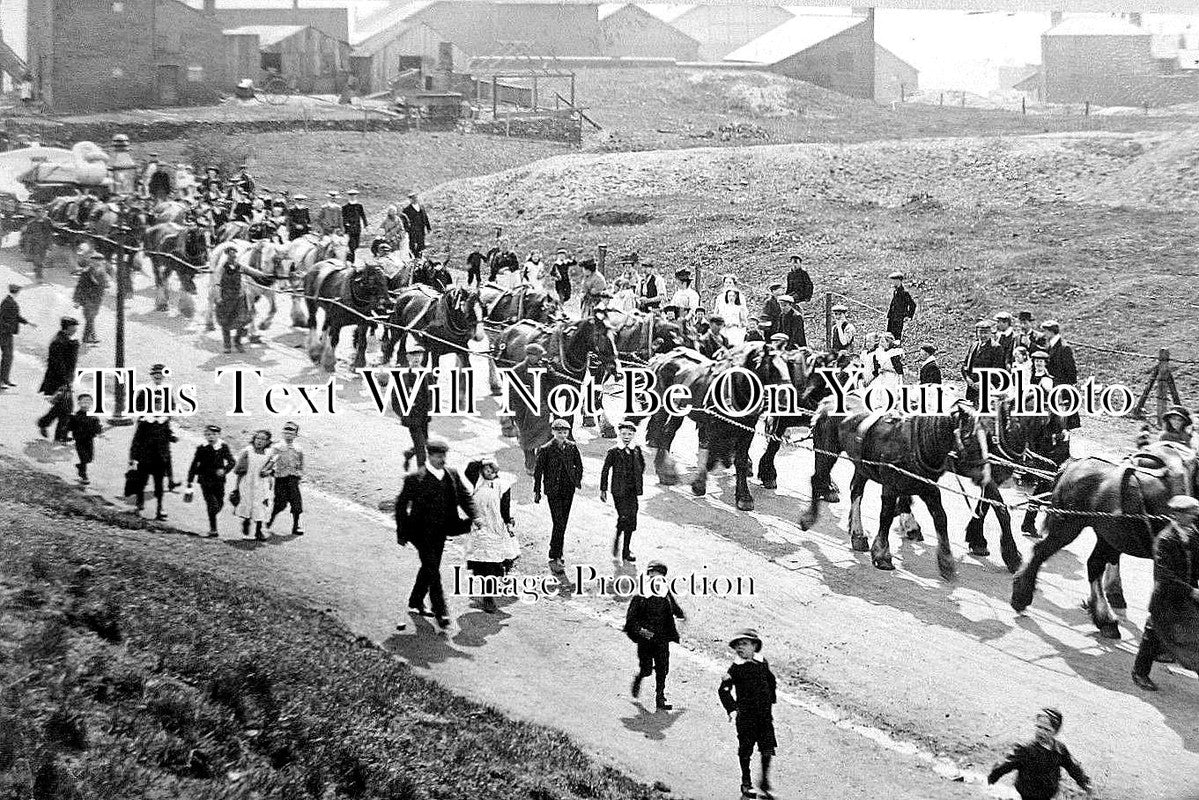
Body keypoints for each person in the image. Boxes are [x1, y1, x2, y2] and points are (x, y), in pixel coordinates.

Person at [394, 439, 477, 631]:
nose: (443, 459)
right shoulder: (415, 479)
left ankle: (415, 600)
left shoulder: (452, 475)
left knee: (430, 567)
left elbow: (465, 497)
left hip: (441, 530)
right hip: (419, 533)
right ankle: (441, 611)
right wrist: (402, 532)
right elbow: (400, 506)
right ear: (429, 456)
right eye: (439, 456)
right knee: (433, 569)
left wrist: (476, 517)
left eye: (444, 456)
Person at [1131, 494, 1199, 691]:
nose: (1194, 517)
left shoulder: (1192, 535)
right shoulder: (1165, 540)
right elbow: (1165, 576)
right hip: (1166, 598)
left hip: (1186, 597)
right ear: (1177, 515)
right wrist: (1192, 591)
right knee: (1153, 633)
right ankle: (1139, 672)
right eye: (1189, 514)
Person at [718, 629, 778, 800]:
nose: (739, 648)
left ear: (754, 646)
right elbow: (723, 690)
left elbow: (771, 680)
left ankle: (764, 781)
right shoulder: (735, 669)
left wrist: (770, 699)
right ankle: (746, 782)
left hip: (764, 716)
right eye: (737, 645)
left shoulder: (762, 663)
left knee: (767, 748)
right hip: (746, 717)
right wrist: (732, 709)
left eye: (744, 644)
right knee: (746, 750)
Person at [987, 708, 1093, 799]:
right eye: (1039, 727)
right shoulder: (1025, 749)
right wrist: (993, 777)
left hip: (1048, 792)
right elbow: (1006, 763)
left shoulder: (1059, 749)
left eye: (1047, 729)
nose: (1041, 732)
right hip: (1027, 792)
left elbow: (1072, 767)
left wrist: (1084, 782)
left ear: (1055, 732)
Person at [625, 560, 685, 711]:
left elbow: (673, 605)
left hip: (661, 638)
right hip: (646, 639)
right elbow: (631, 621)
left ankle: (660, 697)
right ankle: (640, 677)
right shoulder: (640, 596)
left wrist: (680, 613)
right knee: (646, 669)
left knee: (662, 668)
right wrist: (642, 632)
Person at [462, 456, 519, 613]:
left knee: (499, 559)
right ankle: (488, 598)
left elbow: (505, 507)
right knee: (484, 563)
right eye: (486, 469)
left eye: (492, 470)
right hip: (480, 528)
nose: (489, 472)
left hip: (496, 527)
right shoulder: (477, 481)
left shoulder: (503, 485)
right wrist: (484, 461)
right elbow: (469, 468)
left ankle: (502, 574)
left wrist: (508, 522)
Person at [534, 418, 583, 570]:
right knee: (559, 521)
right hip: (553, 490)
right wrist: (537, 491)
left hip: (568, 489)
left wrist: (576, 480)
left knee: (563, 521)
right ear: (553, 432)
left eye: (565, 432)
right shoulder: (545, 449)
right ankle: (556, 554)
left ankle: (555, 550)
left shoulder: (572, 447)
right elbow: (538, 472)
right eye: (559, 432)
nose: (562, 435)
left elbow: (579, 465)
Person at [600, 420, 645, 563]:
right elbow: (605, 470)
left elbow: (642, 465)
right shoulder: (613, 451)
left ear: (633, 435)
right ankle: (619, 534)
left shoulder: (636, 450)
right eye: (624, 433)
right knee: (624, 516)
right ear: (619, 434)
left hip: (632, 490)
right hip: (618, 490)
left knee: (632, 518)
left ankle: (626, 549)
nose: (626, 436)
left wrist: (636, 478)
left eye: (630, 434)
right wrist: (603, 489)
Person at [129, 398, 176, 521]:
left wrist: (173, 437)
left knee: (159, 485)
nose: (158, 409)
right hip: (145, 458)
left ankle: (160, 508)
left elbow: (168, 435)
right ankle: (139, 504)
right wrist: (133, 458)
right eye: (155, 406)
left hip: (159, 459)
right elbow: (136, 441)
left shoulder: (164, 421)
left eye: (160, 406)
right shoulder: (144, 422)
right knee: (141, 483)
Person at [186, 424, 236, 538]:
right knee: (211, 503)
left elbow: (232, 461)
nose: (211, 437)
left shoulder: (223, 447)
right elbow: (194, 464)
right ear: (205, 435)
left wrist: (224, 470)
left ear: (219, 435)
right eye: (208, 434)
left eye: (214, 434)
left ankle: (213, 516)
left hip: (219, 481)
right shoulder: (201, 448)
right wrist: (189, 481)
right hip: (205, 480)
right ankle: (213, 528)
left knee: (220, 503)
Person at [37, 317, 80, 442]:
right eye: (73, 327)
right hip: (58, 381)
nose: (75, 329)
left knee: (63, 408)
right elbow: (59, 364)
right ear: (67, 327)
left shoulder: (63, 340)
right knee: (66, 408)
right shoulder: (58, 342)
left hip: (61, 380)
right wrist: (66, 380)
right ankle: (57, 433)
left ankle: (46, 425)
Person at [395, 343, 432, 470]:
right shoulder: (403, 375)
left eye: (419, 355)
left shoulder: (427, 373)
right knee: (421, 447)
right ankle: (422, 475)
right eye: (413, 355)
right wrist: (404, 413)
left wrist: (430, 411)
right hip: (412, 417)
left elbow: (431, 393)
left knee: (425, 441)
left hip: (424, 416)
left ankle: (409, 453)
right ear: (408, 357)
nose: (417, 358)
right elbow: (395, 399)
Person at [266, 421, 305, 536]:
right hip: (280, 479)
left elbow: (301, 464)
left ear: (295, 435)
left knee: (296, 502)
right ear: (283, 433)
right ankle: (270, 520)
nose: (288, 435)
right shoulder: (277, 447)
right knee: (280, 503)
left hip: (293, 478)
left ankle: (296, 526)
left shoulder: (298, 449)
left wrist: (299, 474)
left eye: (291, 433)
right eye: (286, 432)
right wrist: (270, 473)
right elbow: (270, 461)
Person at [1042, 320, 1080, 431]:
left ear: (1051, 332)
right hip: (1052, 385)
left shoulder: (1064, 348)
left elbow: (1071, 371)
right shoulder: (1050, 345)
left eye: (1045, 331)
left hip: (1061, 387)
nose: (1044, 334)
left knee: (1062, 421)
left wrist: (1065, 385)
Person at [961, 319, 1007, 408]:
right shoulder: (974, 345)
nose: (983, 335)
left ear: (990, 333)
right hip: (972, 389)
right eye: (980, 332)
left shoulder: (996, 348)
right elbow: (965, 365)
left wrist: (982, 383)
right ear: (977, 333)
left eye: (986, 333)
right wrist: (968, 379)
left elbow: (997, 371)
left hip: (988, 389)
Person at [0, 284, 33, 389]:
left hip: (8, 334)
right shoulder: (7, 302)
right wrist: (6, 327)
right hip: (4, 334)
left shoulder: (10, 301)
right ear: (16, 291)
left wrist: (27, 323)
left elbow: (16, 316)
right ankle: (2, 381)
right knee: (7, 356)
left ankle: (5, 379)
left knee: (9, 356)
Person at [73, 253, 108, 346]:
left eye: (99, 261)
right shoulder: (86, 272)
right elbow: (79, 286)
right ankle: (90, 338)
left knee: (91, 318)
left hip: (97, 299)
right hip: (87, 299)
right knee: (90, 318)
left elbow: (104, 284)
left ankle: (88, 337)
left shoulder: (103, 271)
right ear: (92, 261)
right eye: (95, 261)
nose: (97, 263)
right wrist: (77, 300)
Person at [68, 392, 102, 485]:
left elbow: (97, 428)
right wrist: (66, 436)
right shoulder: (75, 416)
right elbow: (69, 427)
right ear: (79, 403)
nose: (86, 404)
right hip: (79, 440)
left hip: (89, 440)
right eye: (83, 402)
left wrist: (98, 431)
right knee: (84, 458)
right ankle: (84, 476)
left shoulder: (93, 416)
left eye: (88, 402)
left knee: (89, 458)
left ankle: (80, 467)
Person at [714, 275, 748, 344]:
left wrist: (737, 323)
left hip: (735, 326)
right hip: (723, 326)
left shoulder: (740, 297)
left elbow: (744, 314)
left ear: (734, 284)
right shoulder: (720, 297)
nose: (728, 285)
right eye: (726, 282)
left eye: (730, 283)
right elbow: (716, 312)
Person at [341, 189, 368, 263]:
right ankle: (351, 260)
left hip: (357, 228)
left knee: (357, 244)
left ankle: (354, 259)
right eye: (351, 195)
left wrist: (366, 225)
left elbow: (363, 216)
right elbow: (343, 217)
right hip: (349, 229)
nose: (353, 197)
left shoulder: (359, 206)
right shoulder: (345, 207)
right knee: (351, 245)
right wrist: (346, 223)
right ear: (349, 196)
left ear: (356, 196)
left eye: (354, 195)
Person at [402, 192, 431, 256]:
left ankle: (421, 258)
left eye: (415, 198)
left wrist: (428, 227)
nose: (415, 199)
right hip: (412, 231)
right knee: (413, 246)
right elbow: (404, 221)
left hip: (421, 229)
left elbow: (425, 217)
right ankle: (414, 259)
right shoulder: (406, 210)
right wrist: (407, 230)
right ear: (410, 200)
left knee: (421, 244)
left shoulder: (421, 207)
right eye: (413, 198)